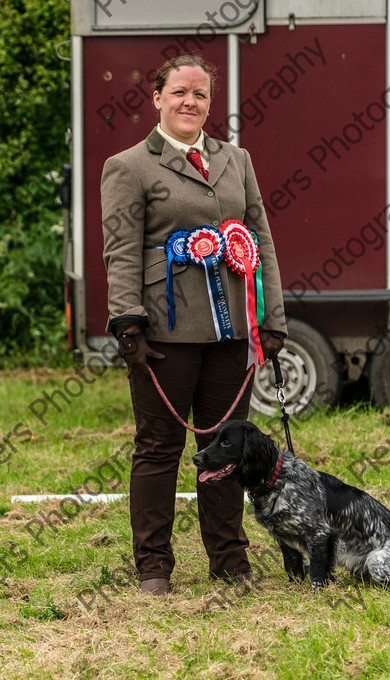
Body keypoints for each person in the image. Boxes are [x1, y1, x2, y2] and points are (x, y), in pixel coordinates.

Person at [100, 53, 287, 595]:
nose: (190, 102)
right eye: (179, 92)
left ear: (210, 102)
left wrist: (271, 318)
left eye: (200, 94)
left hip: (232, 332)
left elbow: (261, 238)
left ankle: (230, 562)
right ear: (157, 97)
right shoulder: (129, 165)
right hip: (163, 334)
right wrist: (127, 322)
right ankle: (154, 567)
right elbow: (121, 250)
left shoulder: (237, 159)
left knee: (227, 449)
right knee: (159, 448)